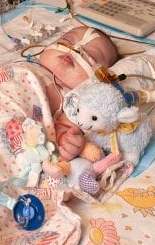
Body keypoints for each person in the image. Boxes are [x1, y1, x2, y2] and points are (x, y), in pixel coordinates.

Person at [32, 26, 119, 160]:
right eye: (67, 40)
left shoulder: (71, 101)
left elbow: (63, 131)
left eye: (91, 56)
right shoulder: (27, 64)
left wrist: (68, 142)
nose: (76, 48)